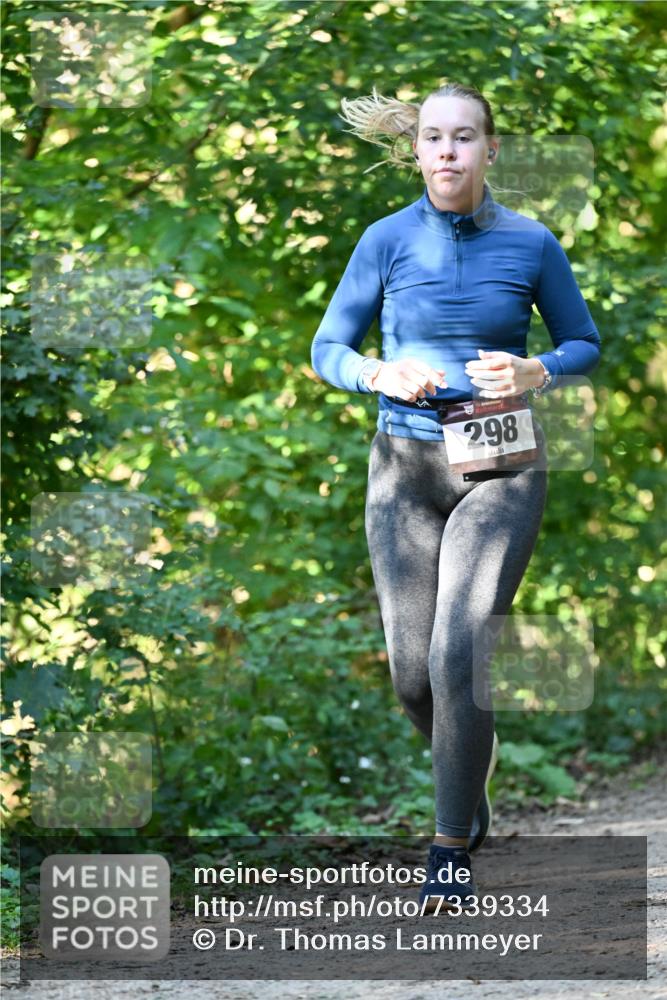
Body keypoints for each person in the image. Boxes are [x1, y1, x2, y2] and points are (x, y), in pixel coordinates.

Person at [310, 82, 601, 911]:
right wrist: (377, 370)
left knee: (457, 653)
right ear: (416, 150)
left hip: (501, 465)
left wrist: (538, 367)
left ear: (488, 150)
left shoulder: (530, 241)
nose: (447, 151)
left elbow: (581, 338)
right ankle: (466, 782)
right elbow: (327, 344)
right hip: (403, 467)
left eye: (463, 137)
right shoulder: (385, 240)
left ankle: (446, 850)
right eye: (433, 137)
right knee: (412, 675)